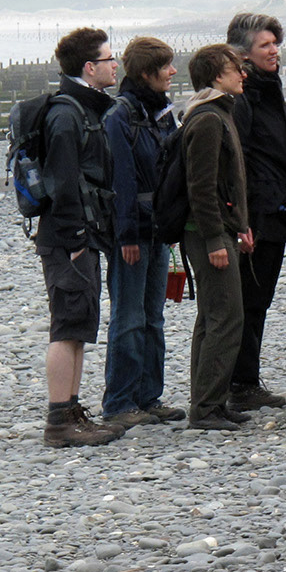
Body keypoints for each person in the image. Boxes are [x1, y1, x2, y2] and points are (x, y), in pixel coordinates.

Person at [37, 27, 125, 448]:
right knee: (67, 326)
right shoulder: (66, 115)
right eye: (110, 59)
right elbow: (63, 183)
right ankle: (59, 421)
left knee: (80, 325)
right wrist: (74, 240)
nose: (115, 65)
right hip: (68, 237)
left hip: (82, 235)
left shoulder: (83, 109)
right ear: (89, 68)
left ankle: (72, 411)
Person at [226, 12, 286, 412]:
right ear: (242, 55)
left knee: (258, 299)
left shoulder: (267, 89)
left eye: (275, 44)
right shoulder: (242, 97)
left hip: (274, 210)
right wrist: (243, 219)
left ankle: (244, 380)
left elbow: (267, 149)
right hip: (257, 216)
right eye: (266, 45)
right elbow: (238, 158)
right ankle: (240, 384)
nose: (274, 51)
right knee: (249, 300)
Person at [99, 35, 185, 426]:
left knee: (153, 316)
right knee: (128, 316)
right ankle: (119, 402)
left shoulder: (160, 112)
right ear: (147, 73)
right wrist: (127, 235)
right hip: (134, 233)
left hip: (159, 229)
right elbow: (123, 180)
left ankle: (149, 397)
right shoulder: (120, 117)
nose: (173, 72)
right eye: (166, 66)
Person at [178, 43, 256, 431]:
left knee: (212, 318)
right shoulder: (209, 119)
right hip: (207, 234)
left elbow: (225, 182)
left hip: (221, 231)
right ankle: (206, 408)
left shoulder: (218, 113)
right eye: (234, 69)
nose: (243, 74)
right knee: (225, 317)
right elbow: (201, 188)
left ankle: (211, 402)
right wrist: (214, 240)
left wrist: (241, 224)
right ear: (214, 77)